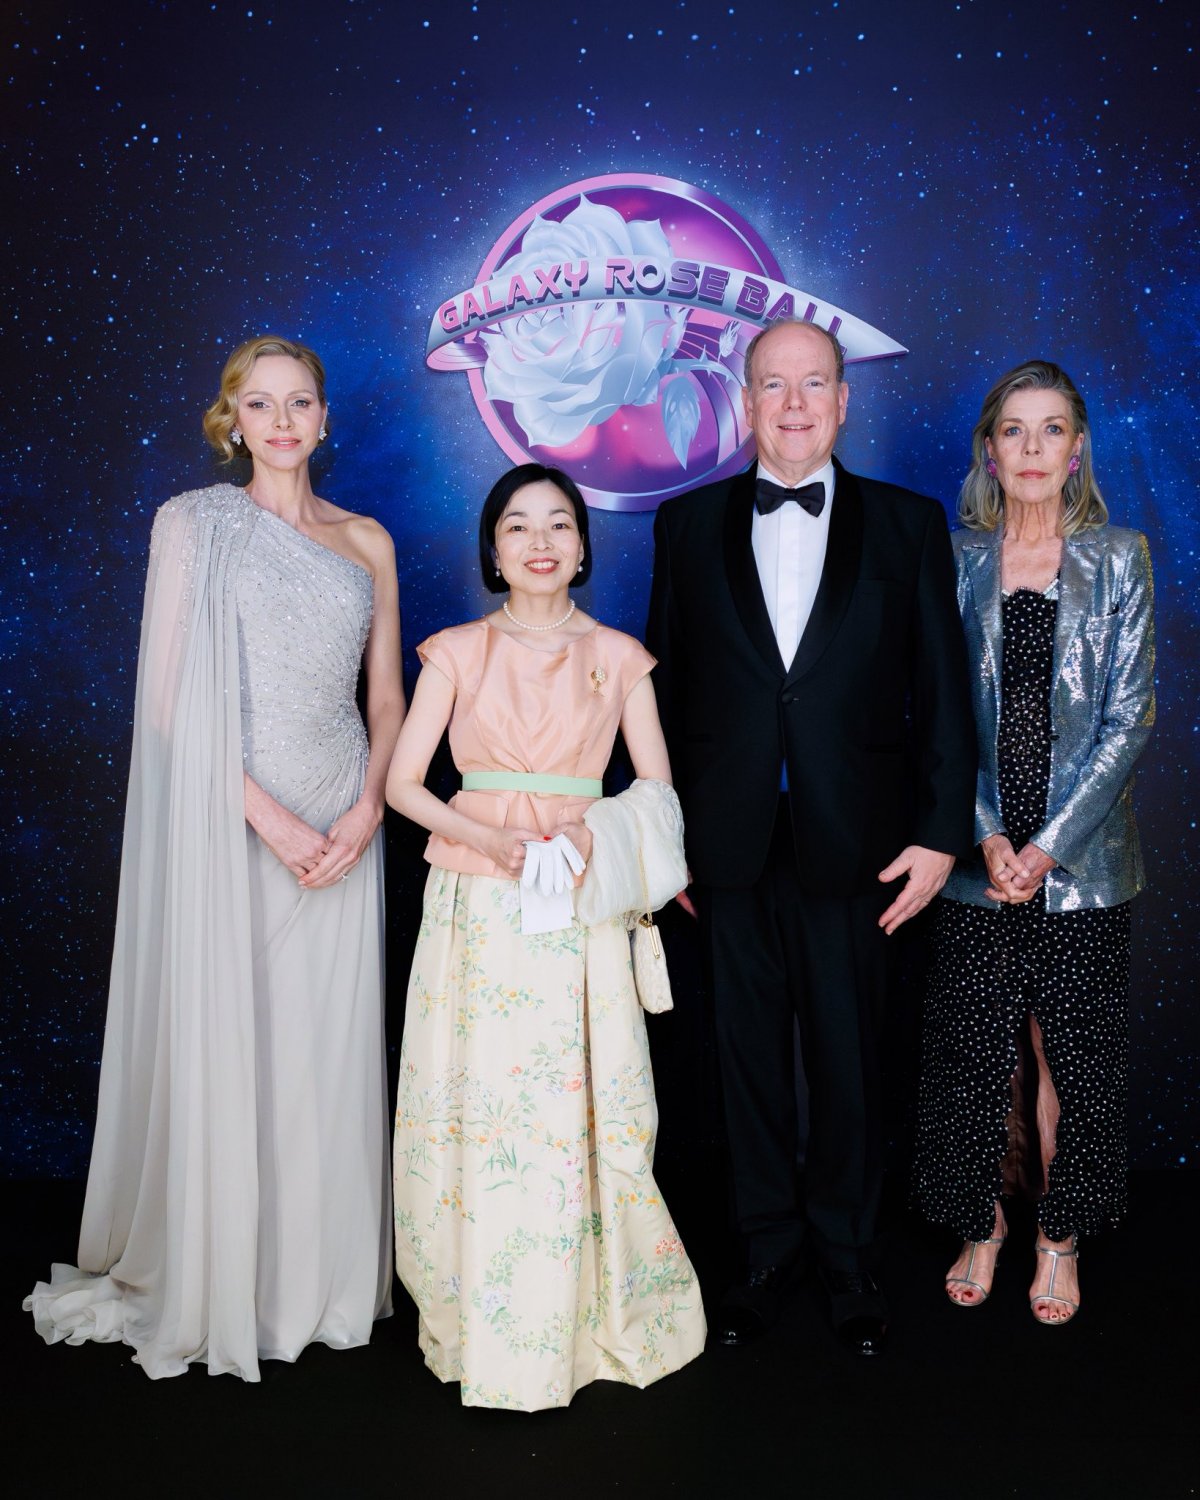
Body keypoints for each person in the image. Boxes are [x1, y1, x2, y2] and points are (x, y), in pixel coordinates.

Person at [25, 335, 405, 1380]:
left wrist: (368, 808)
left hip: (345, 819)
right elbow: (164, 707)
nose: (282, 422)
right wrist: (269, 822)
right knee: (238, 1044)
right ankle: (223, 1279)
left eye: (302, 403)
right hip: (236, 820)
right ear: (231, 419)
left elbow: (385, 695)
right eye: (261, 404)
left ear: (326, 418)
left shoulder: (367, 539)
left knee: (321, 1054)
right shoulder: (191, 523)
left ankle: (310, 1280)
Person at [646, 318, 976, 1355]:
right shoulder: (686, 524)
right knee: (742, 1062)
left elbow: (945, 698)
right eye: (773, 386)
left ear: (843, 402)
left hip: (864, 848)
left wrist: (938, 837)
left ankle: (846, 1255)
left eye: (814, 385)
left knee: (848, 1058)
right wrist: (665, 843)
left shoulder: (909, 525)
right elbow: (659, 693)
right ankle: (764, 1252)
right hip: (728, 845)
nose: (793, 405)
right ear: (746, 404)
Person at [387, 463, 706, 1411]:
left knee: (585, 1102)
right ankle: (485, 1312)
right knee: (480, 1099)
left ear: (582, 543)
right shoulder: (454, 651)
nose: (539, 542)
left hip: (578, 899)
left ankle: (583, 1313)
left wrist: (582, 835)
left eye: (559, 524)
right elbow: (405, 784)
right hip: (479, 903)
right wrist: (490, 838)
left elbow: (656, 791)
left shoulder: (621, 655)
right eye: (518, 526)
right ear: (493, 548)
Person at [912, 360, 1155, 1325]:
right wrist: (987, 837)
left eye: (1052, 430)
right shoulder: (956, 560)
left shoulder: (1121, 557)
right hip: (977, 857)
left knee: (1075, 1056)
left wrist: (1046, 846)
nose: (1033, 450)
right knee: (974, 1052)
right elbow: (933, 714)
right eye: (1014, 431)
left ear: (1078, 448)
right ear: (988, 449)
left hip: (1083, 864)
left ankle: (1060, 1237)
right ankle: (984, 1224)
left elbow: (1130, 719)